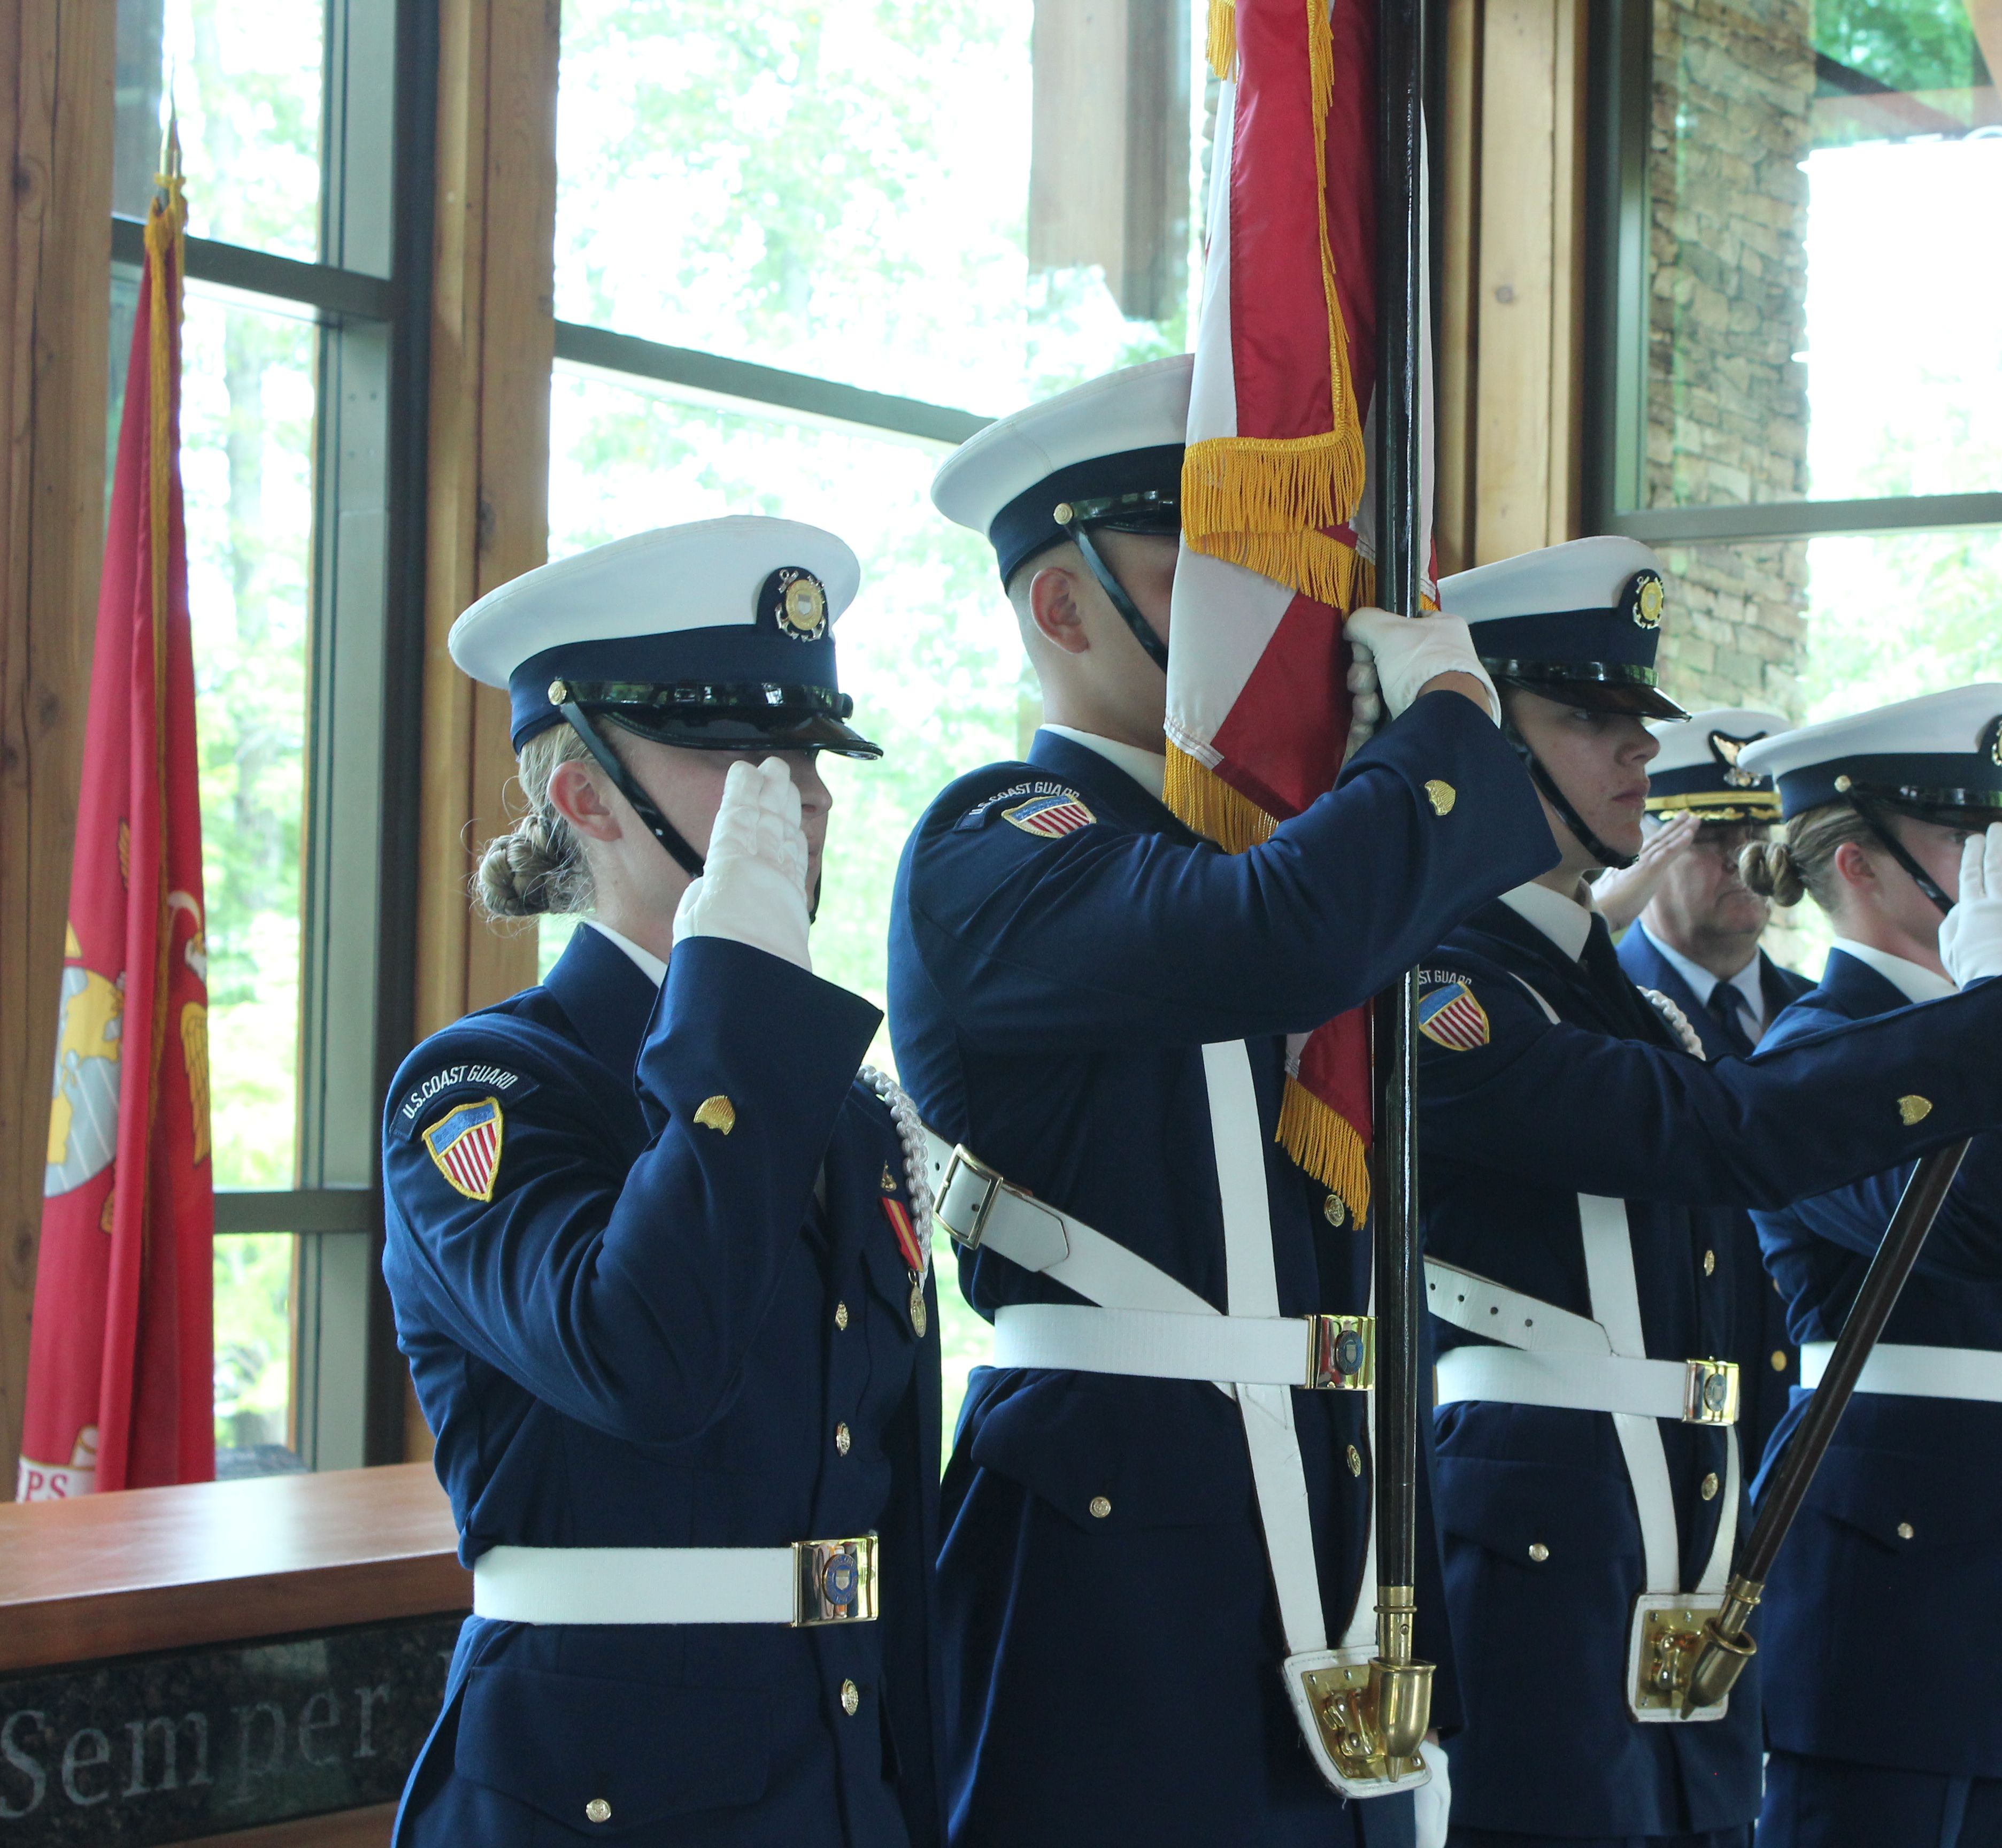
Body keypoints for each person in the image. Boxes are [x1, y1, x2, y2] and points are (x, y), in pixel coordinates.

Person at [895, 355, 1553, 1848]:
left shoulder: (1289, 858)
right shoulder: (995, 841)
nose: (1275, 615)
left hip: (1323, 1527)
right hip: (1118, 1574)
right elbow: (1272, 937)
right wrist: (1447, 725)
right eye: (1207, 569)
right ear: (1062, 609)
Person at [1411, 593, 2002, 1848]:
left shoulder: (1615, 1001)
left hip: (1679, 1530)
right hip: (1552, 1540)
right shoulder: (1448, 982)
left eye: (1638, 715)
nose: (1641, 749)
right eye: (1586, 716)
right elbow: (1736, 1136)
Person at [378, 518, 942, 1847]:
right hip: (601, 1794)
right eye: (738, 754)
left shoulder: (840, 1107)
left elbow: (891, 1501)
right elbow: (644, 1360)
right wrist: (738, 994)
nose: (802, 793)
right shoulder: (480, 1089)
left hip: (836, 1782)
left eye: (811, 753)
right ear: (584, 796)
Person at [1738, 687, 2002, 1848]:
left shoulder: (1985, 1025)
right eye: (1964, 836)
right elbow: (1991, 1227)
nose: (2001, 863)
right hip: (1885, 1582)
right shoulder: (1815, 1054)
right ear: (1859, 864)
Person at [1606, 706, 1815, 1480]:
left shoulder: (1820, 1016)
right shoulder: (1602, 1002)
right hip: (1656, 1427)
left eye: (1758, 834)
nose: (1743, 860)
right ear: (1647, 847)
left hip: (1802, 1423)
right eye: (1711, 836)